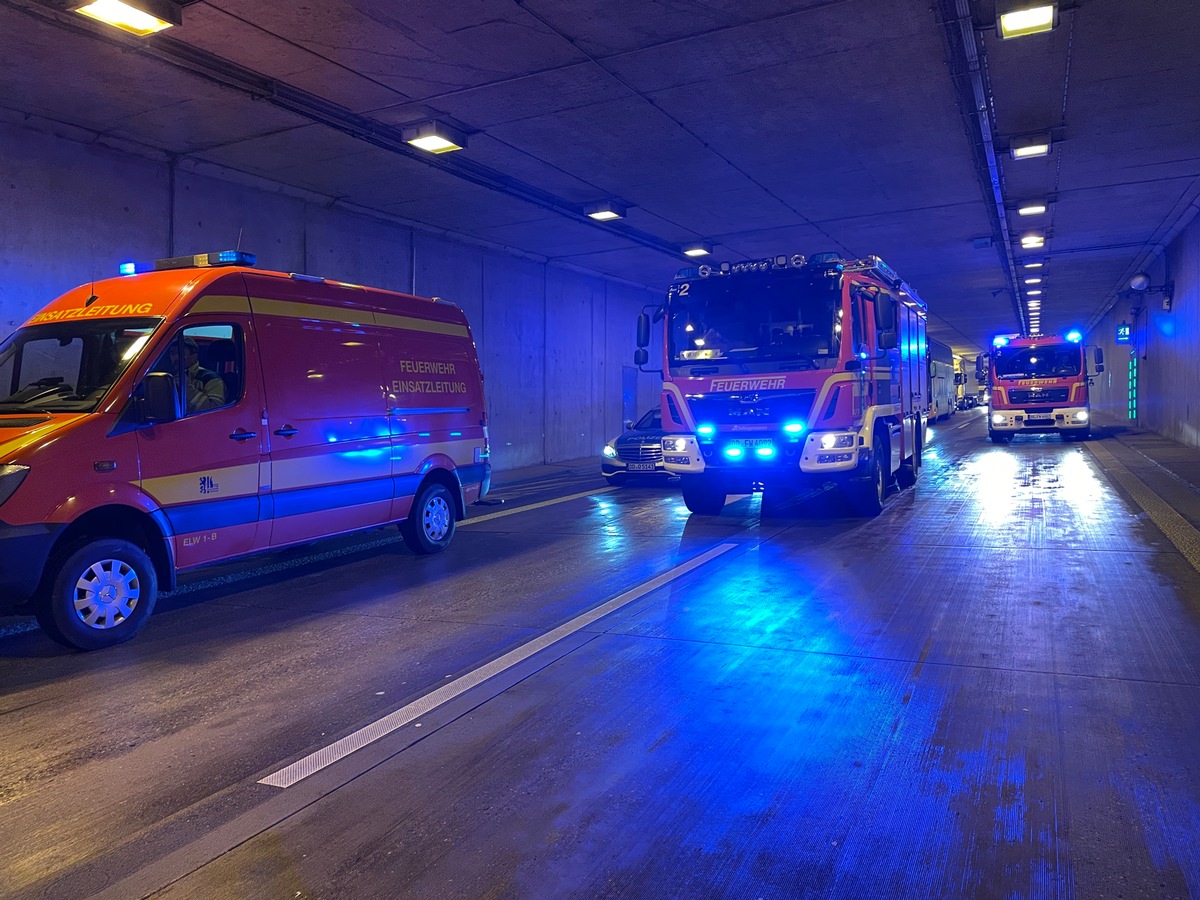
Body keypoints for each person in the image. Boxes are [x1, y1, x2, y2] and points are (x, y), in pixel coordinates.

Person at [171, 336, 226, 413]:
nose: (175, 358)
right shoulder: (169, 379)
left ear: (194, 356)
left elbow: (215, 411)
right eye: (172, 353)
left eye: (180, 353)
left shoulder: (211, 379)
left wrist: (187, 388)